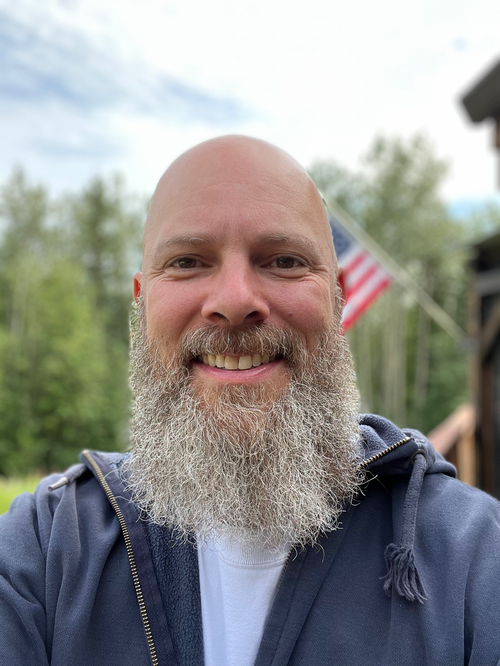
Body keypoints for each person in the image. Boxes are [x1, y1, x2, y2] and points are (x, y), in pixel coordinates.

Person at [1, 136, 500, 666]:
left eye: (284, 260)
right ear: (141, 305)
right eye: (188, 262)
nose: (235, 300)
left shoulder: (476, 560)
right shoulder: (44, 553)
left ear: (338, 299)